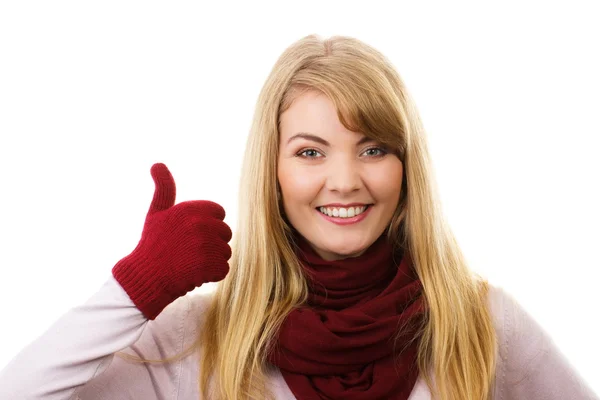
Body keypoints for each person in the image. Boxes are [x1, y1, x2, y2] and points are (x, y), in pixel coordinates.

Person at [0, 34, 597, 400]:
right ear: (273, 170)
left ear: (407, 167)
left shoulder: (482, 324)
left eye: (374, 148)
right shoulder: (202, 337)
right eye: (310, 151)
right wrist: (136, 288)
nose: (345, 179)